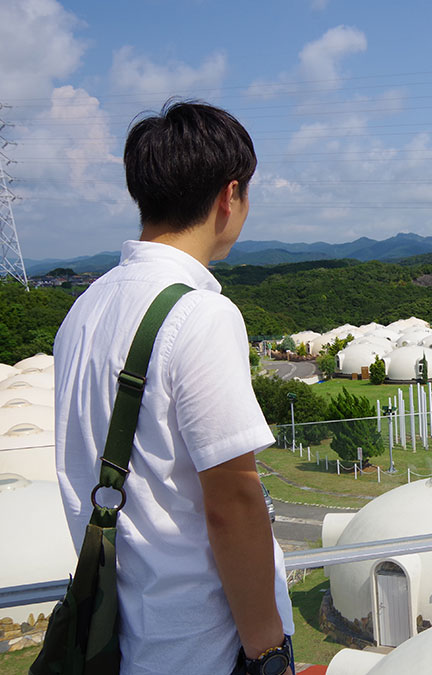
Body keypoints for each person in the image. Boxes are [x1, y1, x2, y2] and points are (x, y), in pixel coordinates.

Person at [54, 100, 294, 675]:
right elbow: (232, 502)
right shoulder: (201, 316)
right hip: (200, 647)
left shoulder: (84, 310)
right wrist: (267, 650)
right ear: (228, 196)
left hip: (116, 639)